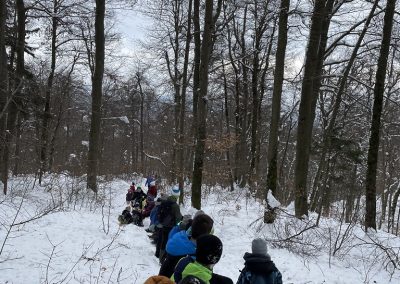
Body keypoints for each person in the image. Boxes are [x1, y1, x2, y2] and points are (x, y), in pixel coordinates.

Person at [155, 186, 182, 261]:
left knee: (161, 240)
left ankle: (158, 254)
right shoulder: (175, 206)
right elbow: (178, 219)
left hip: (162, 224)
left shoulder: (165, 201)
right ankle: (163, 259)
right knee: (168, 242)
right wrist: (179, 225)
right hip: (170, 227)